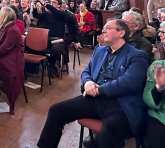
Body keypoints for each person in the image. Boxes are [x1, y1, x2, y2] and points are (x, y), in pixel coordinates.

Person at [37, 19, 149, 148]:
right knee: (56, 110)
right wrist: (88, 82)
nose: (103, 30)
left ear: (121, 32)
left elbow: (129, 83)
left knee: (110, 130)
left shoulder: (138, 55)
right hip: (95, 98)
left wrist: (99, 89)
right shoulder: (100, 51)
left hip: (120, 104)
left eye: (108, 28)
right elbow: (87, 71)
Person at [0, 7, 24, 114]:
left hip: (12, 59)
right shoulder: (4, 27)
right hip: (6, 55)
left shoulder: (12, 30)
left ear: (4, 17)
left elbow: (4, 49)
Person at [32, 0, 79, 77]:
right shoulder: (47, 14)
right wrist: (35, 6)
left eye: (54, 2)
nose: (52, 4)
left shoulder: (63, 14)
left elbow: (54, 11)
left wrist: (44, 3)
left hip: (59, 39)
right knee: (34, 45)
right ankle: (34, 67)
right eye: (51, 2)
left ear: (59, 5)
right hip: (47, 39)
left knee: (56, 49)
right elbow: (36, 15)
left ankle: (51, 64)